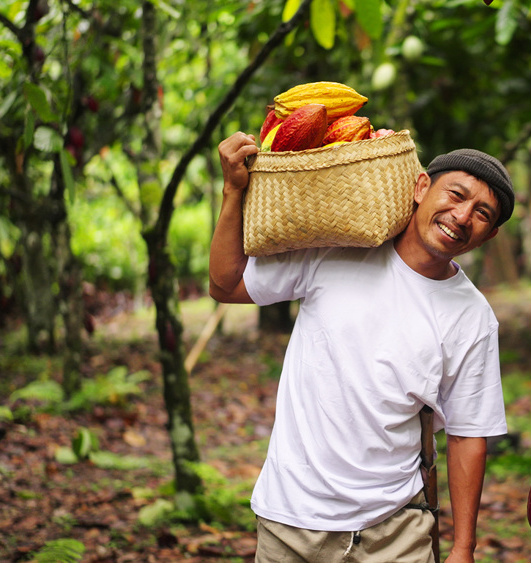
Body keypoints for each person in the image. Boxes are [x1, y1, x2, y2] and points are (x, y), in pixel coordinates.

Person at [209, 131, 514, 563]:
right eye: (456, 194)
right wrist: (233, 191)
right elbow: (225, 284)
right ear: (422, 187)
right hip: (292, 520)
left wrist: (463, 547)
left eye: (482, 212)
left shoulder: (473, 317)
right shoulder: (336, 250)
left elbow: (468, 435)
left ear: (489, 235)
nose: (462, 215)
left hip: (395, 532)